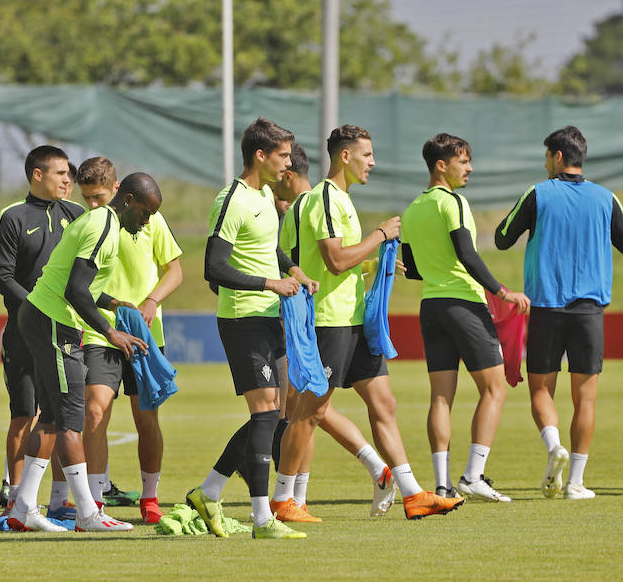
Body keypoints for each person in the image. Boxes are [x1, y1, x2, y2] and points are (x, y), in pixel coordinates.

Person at [276, 125, 466, 520]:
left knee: (385, 404)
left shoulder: (342, 199)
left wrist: (371, 263)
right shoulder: (325, 198)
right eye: (367, 154)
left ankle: (413, 494)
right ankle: (282, 500)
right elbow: (334, 260)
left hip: (355, 318)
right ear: (345, 156)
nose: (373, 162)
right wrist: (379, 236)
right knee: (308, 413)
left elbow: (340, 261)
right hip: (329, 321)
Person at [185, 118, 317, 540]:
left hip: (269, 316)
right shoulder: (233, 199)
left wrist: (294, 270)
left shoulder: (263, 195)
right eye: (283, 155)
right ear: (260, 155)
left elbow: (268, 248)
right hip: (243, 318)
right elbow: (214, 267)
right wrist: (271, 284)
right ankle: (263, 520)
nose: (289, 163)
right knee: (263, 415)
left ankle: (210, 491)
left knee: (275, 417)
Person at [6, 173, 158, 533]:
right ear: (130, 199)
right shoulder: (104, 226)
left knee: (50, 417)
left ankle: (23, 508)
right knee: (71, 420)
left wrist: (112, 301)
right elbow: (75, 291)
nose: (147, 220)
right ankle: (87, 514)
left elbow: (77, 283)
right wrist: (111, 332)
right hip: (54, 321)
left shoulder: (101, 221)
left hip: (40, 314)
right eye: (147, 212)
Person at [495, 125, 623, 500]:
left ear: (558, 157)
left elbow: (501, 238)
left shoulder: (538, 193)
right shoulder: (606, 198)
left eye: (546, 156)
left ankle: (554, 447)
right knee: (586, 398)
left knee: (540, 390)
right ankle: (576, 483)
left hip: (547, 308)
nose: (545, 163)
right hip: (590, 312)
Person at [401, 133, 529, 502]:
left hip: (431, 308)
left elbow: (413, 268)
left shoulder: (412, 208)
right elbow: (468, 255)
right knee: (494, 388)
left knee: (441, 397)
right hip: (464, 305)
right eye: (463, 161)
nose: (470, 167)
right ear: (441, 166)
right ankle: (473, 475)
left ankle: (442, 484)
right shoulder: (452, 202)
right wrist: (503, 292)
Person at [275, 144, 395, 520]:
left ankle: (293, 498)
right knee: (309, 409)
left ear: (288, 173)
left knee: (304, 409)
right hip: (317, 314)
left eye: (279, 172)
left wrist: (372, 250)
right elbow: (325, 265)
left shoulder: (306, 205)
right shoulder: (313, 203)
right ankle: (376, 472)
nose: (273, 184)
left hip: (314, 318)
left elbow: (330, 264)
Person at [76, 157, 183, 524]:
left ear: (120, 191)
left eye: (100, 197)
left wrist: (152, 300)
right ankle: (94, 502)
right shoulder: (88, 223)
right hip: (99, 330)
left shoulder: (147, 216)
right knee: (94, 412)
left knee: (146, 419)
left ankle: (150, 497)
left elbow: (176, 270)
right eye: (87, 198)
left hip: (143, 335)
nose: (94, 205)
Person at [0, 145, 84, 519]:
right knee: (23, 413)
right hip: (23, 331)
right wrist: (35, 308)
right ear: (38, 175)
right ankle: (16, 499)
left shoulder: (78, 216)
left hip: (65, 334)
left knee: (62, 415)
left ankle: (61, 500)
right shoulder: (12, 216)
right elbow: (3, 277)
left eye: (69, 174)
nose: (68, 180)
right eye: (61, 173)